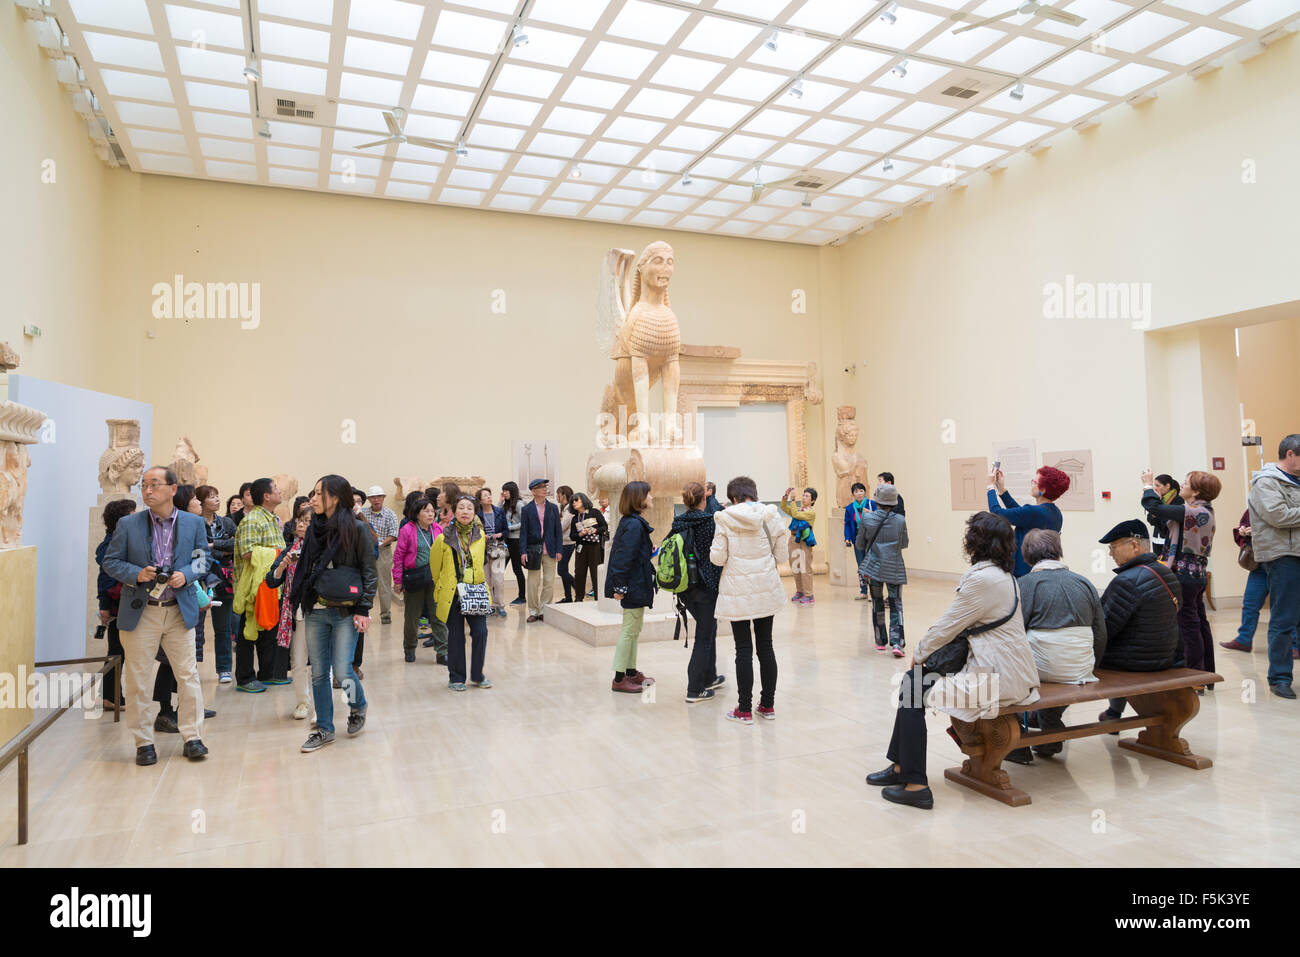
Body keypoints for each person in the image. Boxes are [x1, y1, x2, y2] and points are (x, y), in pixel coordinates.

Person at [866, 512, 1039, 810]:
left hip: (997, 679)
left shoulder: (983, 580)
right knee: (914, 686)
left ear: (975, 543)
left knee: (911, 686)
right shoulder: (1003, 576)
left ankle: (916, 784)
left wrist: (918, 654)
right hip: (1012, 671)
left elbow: (948, 626)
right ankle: (899, 767)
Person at [101, 466, 211, 766]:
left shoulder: (192, 523)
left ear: (173, 489)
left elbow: (204, 560)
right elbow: (110, 562)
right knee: (137, 679)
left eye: (154, 485)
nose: (147, 490)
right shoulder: (128, 524)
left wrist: (186, 574)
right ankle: (143, 742)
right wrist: (136, 574)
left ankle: (192, 736)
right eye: (144, 485)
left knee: (187, 676)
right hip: (142, 612)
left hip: (178, 610)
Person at [295, 475, 377, 752]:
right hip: (316, 609)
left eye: (319, 494)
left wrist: (364, 608)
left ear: (336, 498)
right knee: (318, 672)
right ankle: (324, 729)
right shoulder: (313, 529)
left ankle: (357, 705)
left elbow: (369, 570)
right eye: (314, 493)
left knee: (342, 671)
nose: (313, 499)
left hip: (346, 610)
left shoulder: (356, 528)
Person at [1014, 529, 1106, 760]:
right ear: (1058, 552)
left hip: (1043, 668)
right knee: (1058, 671)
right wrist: (1092, 664)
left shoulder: (1025, 583)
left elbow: (1016, 632)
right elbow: (1100, 631)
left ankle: (1032, 734)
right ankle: (1050, 725)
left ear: (1026, 556)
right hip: (1082, 667)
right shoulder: (1084, 582)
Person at [711, 475, 788, 723]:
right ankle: (767, 706)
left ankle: (744, 709)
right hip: (765, 587)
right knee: (766, 647)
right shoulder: (770, 515)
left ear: (733, 497)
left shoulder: (724, 519)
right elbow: (782, 554)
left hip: (737, 590)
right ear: (754, 493)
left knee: (742, 649)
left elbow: (717, 558)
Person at [1095, 520, 1184, 725]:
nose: (1110, 554)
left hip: (1135, 662)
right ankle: (1113, 713)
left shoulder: (1126, 581)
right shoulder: (1167, 573)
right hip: (1166, 656)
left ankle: (1050, 720)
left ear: (1134, 545)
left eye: (1113, 547)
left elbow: (1105, 630)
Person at [1141, 469, 1220, 678]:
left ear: (1195, 492)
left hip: (1185, 576)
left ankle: (1195, 674)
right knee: (1199, 623)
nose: (1181, 485)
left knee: (1189, 626)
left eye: (1185, 483)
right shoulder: (1200, 510)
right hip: (1195, 576)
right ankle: (1206, 673)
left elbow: (1152, 506)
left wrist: (1148, 485)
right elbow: (1158, 514)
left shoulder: (1192, 512)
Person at [1246, 434, 1300, 699]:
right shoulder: (1265, 482)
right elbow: (1278, 516)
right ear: (1290, 454)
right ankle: (1280, 678)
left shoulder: (1296, 481)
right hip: (1284, 556)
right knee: (1283, 619)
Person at [431, 495, 494, 692]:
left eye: (469, 508)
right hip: (452, 593)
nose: (465, 511)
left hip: (474, 591)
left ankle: (477, 674)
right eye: (461, 508)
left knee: (481, 632)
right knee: (456, 636)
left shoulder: (481, 536)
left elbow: (481, 562)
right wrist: (443, 584)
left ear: (475, 512)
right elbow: (435, 568)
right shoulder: (443, 538)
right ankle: (456, 677)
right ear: (454, 512)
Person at [671, 482, 725, 703]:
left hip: (685, 587)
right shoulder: (710, 523)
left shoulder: (678, 522)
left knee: (708, 629)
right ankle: (695, 688)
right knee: (703, 636)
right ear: (704, 499)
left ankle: (709, 676)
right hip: (706, 588)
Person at [263, 501, 315, 721]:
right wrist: (283, 565)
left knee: (323, 661)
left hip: (321, 609)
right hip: (298, 612)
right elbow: (270, 580)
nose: (301, 525)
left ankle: (322, 706)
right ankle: (303, 701)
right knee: (298, 659)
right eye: (300, 520)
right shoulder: (290, 549)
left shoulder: (325, 548)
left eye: (307, 521)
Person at [232, 477, 283, 693]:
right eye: (277, 489)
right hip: (253, 587)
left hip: (271, 584)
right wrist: (278, 555)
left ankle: (267, 673)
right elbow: (247, 553)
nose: (280, 492)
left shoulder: (271, 518)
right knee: (248, 631)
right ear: (267, 496)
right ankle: (245, 678)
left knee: (269, 629)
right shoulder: (252, 520)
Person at [606, 481, 656, 693]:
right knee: (629, 630)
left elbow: (631, 554)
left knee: (634, 630)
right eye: (648, 494)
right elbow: (622, 559)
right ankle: (619, 678)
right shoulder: (634, 525)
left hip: (636, 581)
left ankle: (630, 672)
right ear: (639, 499)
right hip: (633, 584)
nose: (652, 498)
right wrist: (620, 587)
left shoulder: (633, 522)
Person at [987, 465, 1069, 577]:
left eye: (1034, 482)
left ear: (1042, 490)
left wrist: (990, 487)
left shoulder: (1035, 512)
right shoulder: (1055, 512)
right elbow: (1022, 515)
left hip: (1024, 573)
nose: (1032, 485)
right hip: (1041, 571)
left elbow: (997, 513)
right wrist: (1001, 489)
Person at [95, 498, 137, 710]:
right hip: (117, 603)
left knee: (118, 650)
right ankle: (111, 697)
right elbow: (106, 577)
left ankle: (112, 696)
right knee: (116, 650)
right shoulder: (112, 543)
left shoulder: (120, 539)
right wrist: (103, 604)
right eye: (132, 513)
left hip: (123, 602)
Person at [856, 483, 908, 656]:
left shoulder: (867, 518)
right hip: (894, 567)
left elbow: (860, 544)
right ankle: (897, 643)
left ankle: (880, 640)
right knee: (895, 604)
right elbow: (904, 543)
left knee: (877, 602)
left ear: (876, 501)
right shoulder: (900, 520)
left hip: (874, 567)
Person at [393, 497, 446, 664]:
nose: (431, 514)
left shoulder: (437, 529)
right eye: (426, 511)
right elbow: (399, 556)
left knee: (438, 615)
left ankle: (442, 651)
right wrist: (398, 579)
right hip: (415, 577)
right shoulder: (408, 530)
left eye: (432, 511)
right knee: (412, 617)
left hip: (435, 579)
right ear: (417, 514)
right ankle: (409, 649)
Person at [193, 485, 234, 680]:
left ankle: (224, 668)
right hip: (199, 577)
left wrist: (212, 545)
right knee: (193, 628)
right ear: (201, 501)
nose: (217, 499)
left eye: (218, 496)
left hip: (224, 579)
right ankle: (190, 668)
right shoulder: (194, 523)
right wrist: (221, 551)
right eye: (212, 497)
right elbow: (196, 551)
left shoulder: (226, 522)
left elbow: (237, 544)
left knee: (223, 626)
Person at [1221, 508, 1271, 655]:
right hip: (1259, 563)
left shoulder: (1284, 502)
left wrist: (1257, 532)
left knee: (1284, 606)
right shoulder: (1253, 507)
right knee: (1250, 603)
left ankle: (1295, 645)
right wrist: (1242, 531)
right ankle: (1244, 640)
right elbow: (1242, 525)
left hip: (1280, 562)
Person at [520, 477, 563, 623]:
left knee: (549, 582)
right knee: (533, 582)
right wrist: (523, 552)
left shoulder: (553, 508)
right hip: (533, 550)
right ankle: (533, 611)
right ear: (533, 491)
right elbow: (523, 532)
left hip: (550, 550)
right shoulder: (526, 509)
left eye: (545, 487)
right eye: (541, 487)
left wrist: (559, 549)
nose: (545, 489)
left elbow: (558, 531)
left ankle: (544, 610)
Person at [361, 485, 399, 625]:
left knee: (384, 584)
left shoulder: (390, 514)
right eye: (373, 497)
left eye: (379, 497)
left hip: (383, 551)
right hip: (365, 551)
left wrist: (380, 544)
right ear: (369, 499)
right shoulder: (363, 513)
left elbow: (393, 534)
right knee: (364, 582)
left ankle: (385, 614)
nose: (376, 499)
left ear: (383, 498)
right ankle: (363, 613)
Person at [780, 486, 818, 604]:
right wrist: (786, 497)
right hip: (793, 539)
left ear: (812, 500)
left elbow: (795, 515)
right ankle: (800, 591)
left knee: (805, 567)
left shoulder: (811, 512)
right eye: (803, 495)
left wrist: (792, 500)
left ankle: (809, 594)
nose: (804, 498)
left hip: (804, 540)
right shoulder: (799, 509)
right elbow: (783, 508)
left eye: (807, 496)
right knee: (795, 566)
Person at [477, 487, 509, 619]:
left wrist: (500, 534)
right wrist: (481, 536)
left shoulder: (499, 512)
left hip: (498, 548)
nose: (489, 497)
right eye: (485, 495)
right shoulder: (477, 515)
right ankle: (489, 606)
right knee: (486, 580)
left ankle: (500, 605)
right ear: (479, 500)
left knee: (498, 579)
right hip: (482, 550)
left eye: (490, 495)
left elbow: (506, 530)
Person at [570, 493, 607, 605]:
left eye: (576, 500)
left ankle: (598, 598)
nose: (574, 503)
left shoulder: (594, 512)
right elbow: (572, 536)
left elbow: (604, 527)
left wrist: (595, 530)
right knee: (579, 573)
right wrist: (581, 534)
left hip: (594, 546)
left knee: (595, 573)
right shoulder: (575, 518)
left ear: (584, 501)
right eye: (572, 501)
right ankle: (578, 598)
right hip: (581, 547)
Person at [844, 481, 871, 600]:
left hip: (871, 539)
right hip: (858, 539)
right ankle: (863, 591)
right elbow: (847, 524)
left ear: (865, 492)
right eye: (856, 491)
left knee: (871, 565)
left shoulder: (871, 504)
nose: (859, 493)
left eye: (861, 491)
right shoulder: (850, 508)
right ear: (853, 494)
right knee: (861, 565)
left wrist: (870, 513)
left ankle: (874, 592)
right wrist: (847, 538)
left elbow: (879, 518)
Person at [501, 481, 526, 605]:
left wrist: (509, 528)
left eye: (506, 491)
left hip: (516, 540)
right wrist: (501, 501)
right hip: (506, 540)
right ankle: (497, 599)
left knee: (517, 569)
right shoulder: (505, 505)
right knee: (499, 570)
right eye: (503, 491)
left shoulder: (520, 504)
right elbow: (497, 513)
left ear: (512, 491)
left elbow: (525, 522)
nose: (504, 493)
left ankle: (522, 597)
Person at [1146, 474, 1182, 558]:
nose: (1155, 488)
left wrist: (1157, 512)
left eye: (1158, 485)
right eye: (1154, 485)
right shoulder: (1158, 499)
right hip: (1157, 538)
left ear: (1167, 486)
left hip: (1170, 538)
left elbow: (1168, 522)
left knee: (1168, 566)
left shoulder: (1178, 499)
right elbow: (1150, 520)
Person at [556, 485, 577, 603]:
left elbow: (561, 526)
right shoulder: (564, 508)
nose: (556, 497)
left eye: (558, 494)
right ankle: (568, 597)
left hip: (567, 543)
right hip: (564, 542)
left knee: (561, 571)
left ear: (563, 495)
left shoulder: (569, 509)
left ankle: (578, 588)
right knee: (564, 569)